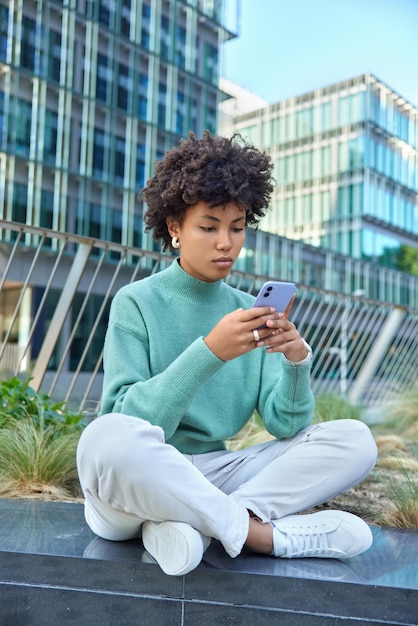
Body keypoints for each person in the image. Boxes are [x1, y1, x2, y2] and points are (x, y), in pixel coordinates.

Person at [76, 131, 378, 576]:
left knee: (355, 438)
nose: (227, 243)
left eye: (237, 228)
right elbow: (132, 420)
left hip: (214, 475)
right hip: (136, 482)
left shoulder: (246, 311)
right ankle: (256, 534)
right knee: (105, 438)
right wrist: (209, 352)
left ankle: (192, 527)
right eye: (209, 226)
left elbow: (285, 425)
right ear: (175, 228)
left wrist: (295, 363)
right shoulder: (136, 302)